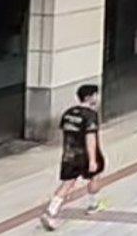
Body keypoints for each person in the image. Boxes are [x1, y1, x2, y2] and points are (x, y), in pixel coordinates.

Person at [40, 84, 105, 231]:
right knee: (95, 176)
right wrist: (93, 159)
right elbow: (90, 138)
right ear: (89, 98)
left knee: (67, 183)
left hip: (69, 154)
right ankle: (93, 204)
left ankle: (51, 211)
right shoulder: (90, 116)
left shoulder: (68, 113)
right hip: (85, 154)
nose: (97, 98)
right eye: (96, 95)